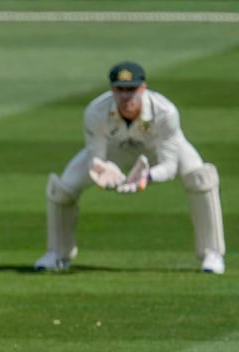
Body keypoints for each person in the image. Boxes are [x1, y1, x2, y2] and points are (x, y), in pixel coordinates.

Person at [36, 61, 226, 274]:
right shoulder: (95, 111)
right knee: (63, 189)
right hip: (113, 151)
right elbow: (95, 158)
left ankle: (212, 253)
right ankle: (58, 254)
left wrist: (148, 176)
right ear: (112, 89)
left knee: (200, 178)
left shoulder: (165, 111)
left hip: (156, 151)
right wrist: (106, 173)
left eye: (132, 89)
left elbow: (170, 165)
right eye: (120, 89)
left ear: (143, 88)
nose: (126, 96)